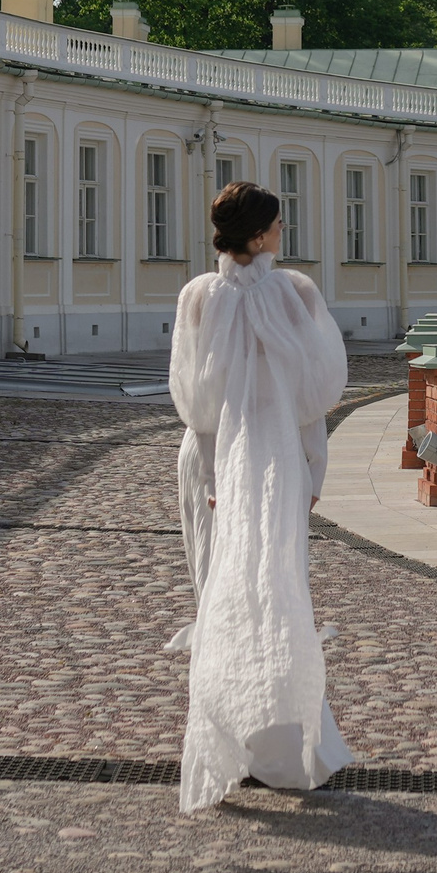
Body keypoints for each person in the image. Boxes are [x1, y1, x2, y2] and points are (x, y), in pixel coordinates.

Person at [165, 180, 355, 812]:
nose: (283, 230)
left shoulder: (197, 295)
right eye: (277, 222)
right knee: (276, 592)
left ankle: (242, 740)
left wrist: (218, 477)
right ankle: (279, 742)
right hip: (272, 464)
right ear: (257, 234)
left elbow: (193, 401)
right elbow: (317, 395)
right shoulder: (296, 291)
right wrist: (311, 472)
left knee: (222, 595)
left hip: (216, 460)